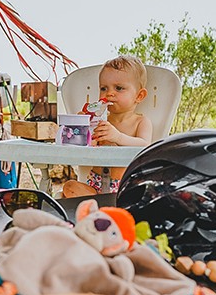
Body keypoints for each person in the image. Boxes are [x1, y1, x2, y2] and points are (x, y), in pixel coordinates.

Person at [62, 55, 153, 197]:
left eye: (119, 88)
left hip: (125, 185)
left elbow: (144, 145)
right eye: (104, 88)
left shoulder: (140, 122)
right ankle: (98, 207)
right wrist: (82, 126)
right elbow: (86, 147)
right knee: (69, 186)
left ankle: (103, 208)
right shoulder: (99, 121)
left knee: (142, 195)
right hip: (95, 186)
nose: (109, 93)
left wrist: (118, 137)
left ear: (139, 96)